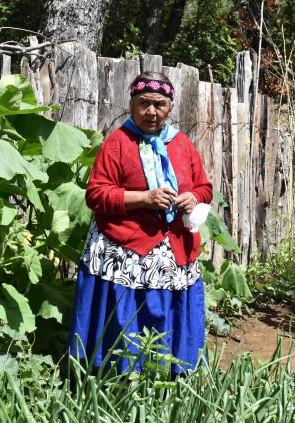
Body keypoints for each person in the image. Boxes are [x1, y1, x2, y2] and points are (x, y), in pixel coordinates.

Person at [69, 72, 213, 375]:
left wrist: (192, 197)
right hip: (124, 248)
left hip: (173, 251)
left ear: (169, 108)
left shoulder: (182, 145)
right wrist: (144, 198)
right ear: (132, 105)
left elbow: (204, 188)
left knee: (168, 314)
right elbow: (96, 195)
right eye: (144, 103)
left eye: (159, 104)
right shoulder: (118, 143)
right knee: (126, 315)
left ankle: (165, 374)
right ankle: (117, 375)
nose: (151, 111)